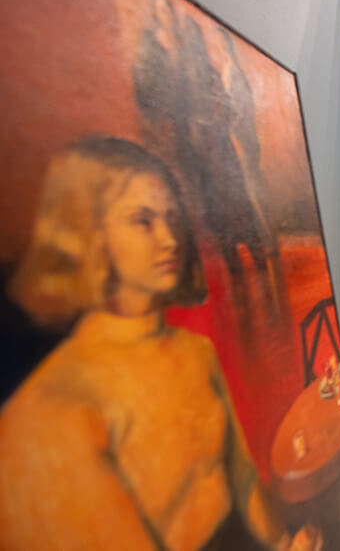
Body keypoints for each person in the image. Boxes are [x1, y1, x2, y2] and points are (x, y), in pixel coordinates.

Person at [0, 137, 320, 551]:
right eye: (142, 220)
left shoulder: (195, 350)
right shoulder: (59, 403)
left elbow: (242, 480)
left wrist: (283, 544)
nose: (169, 238)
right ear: (90, 232)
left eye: (171, 218)